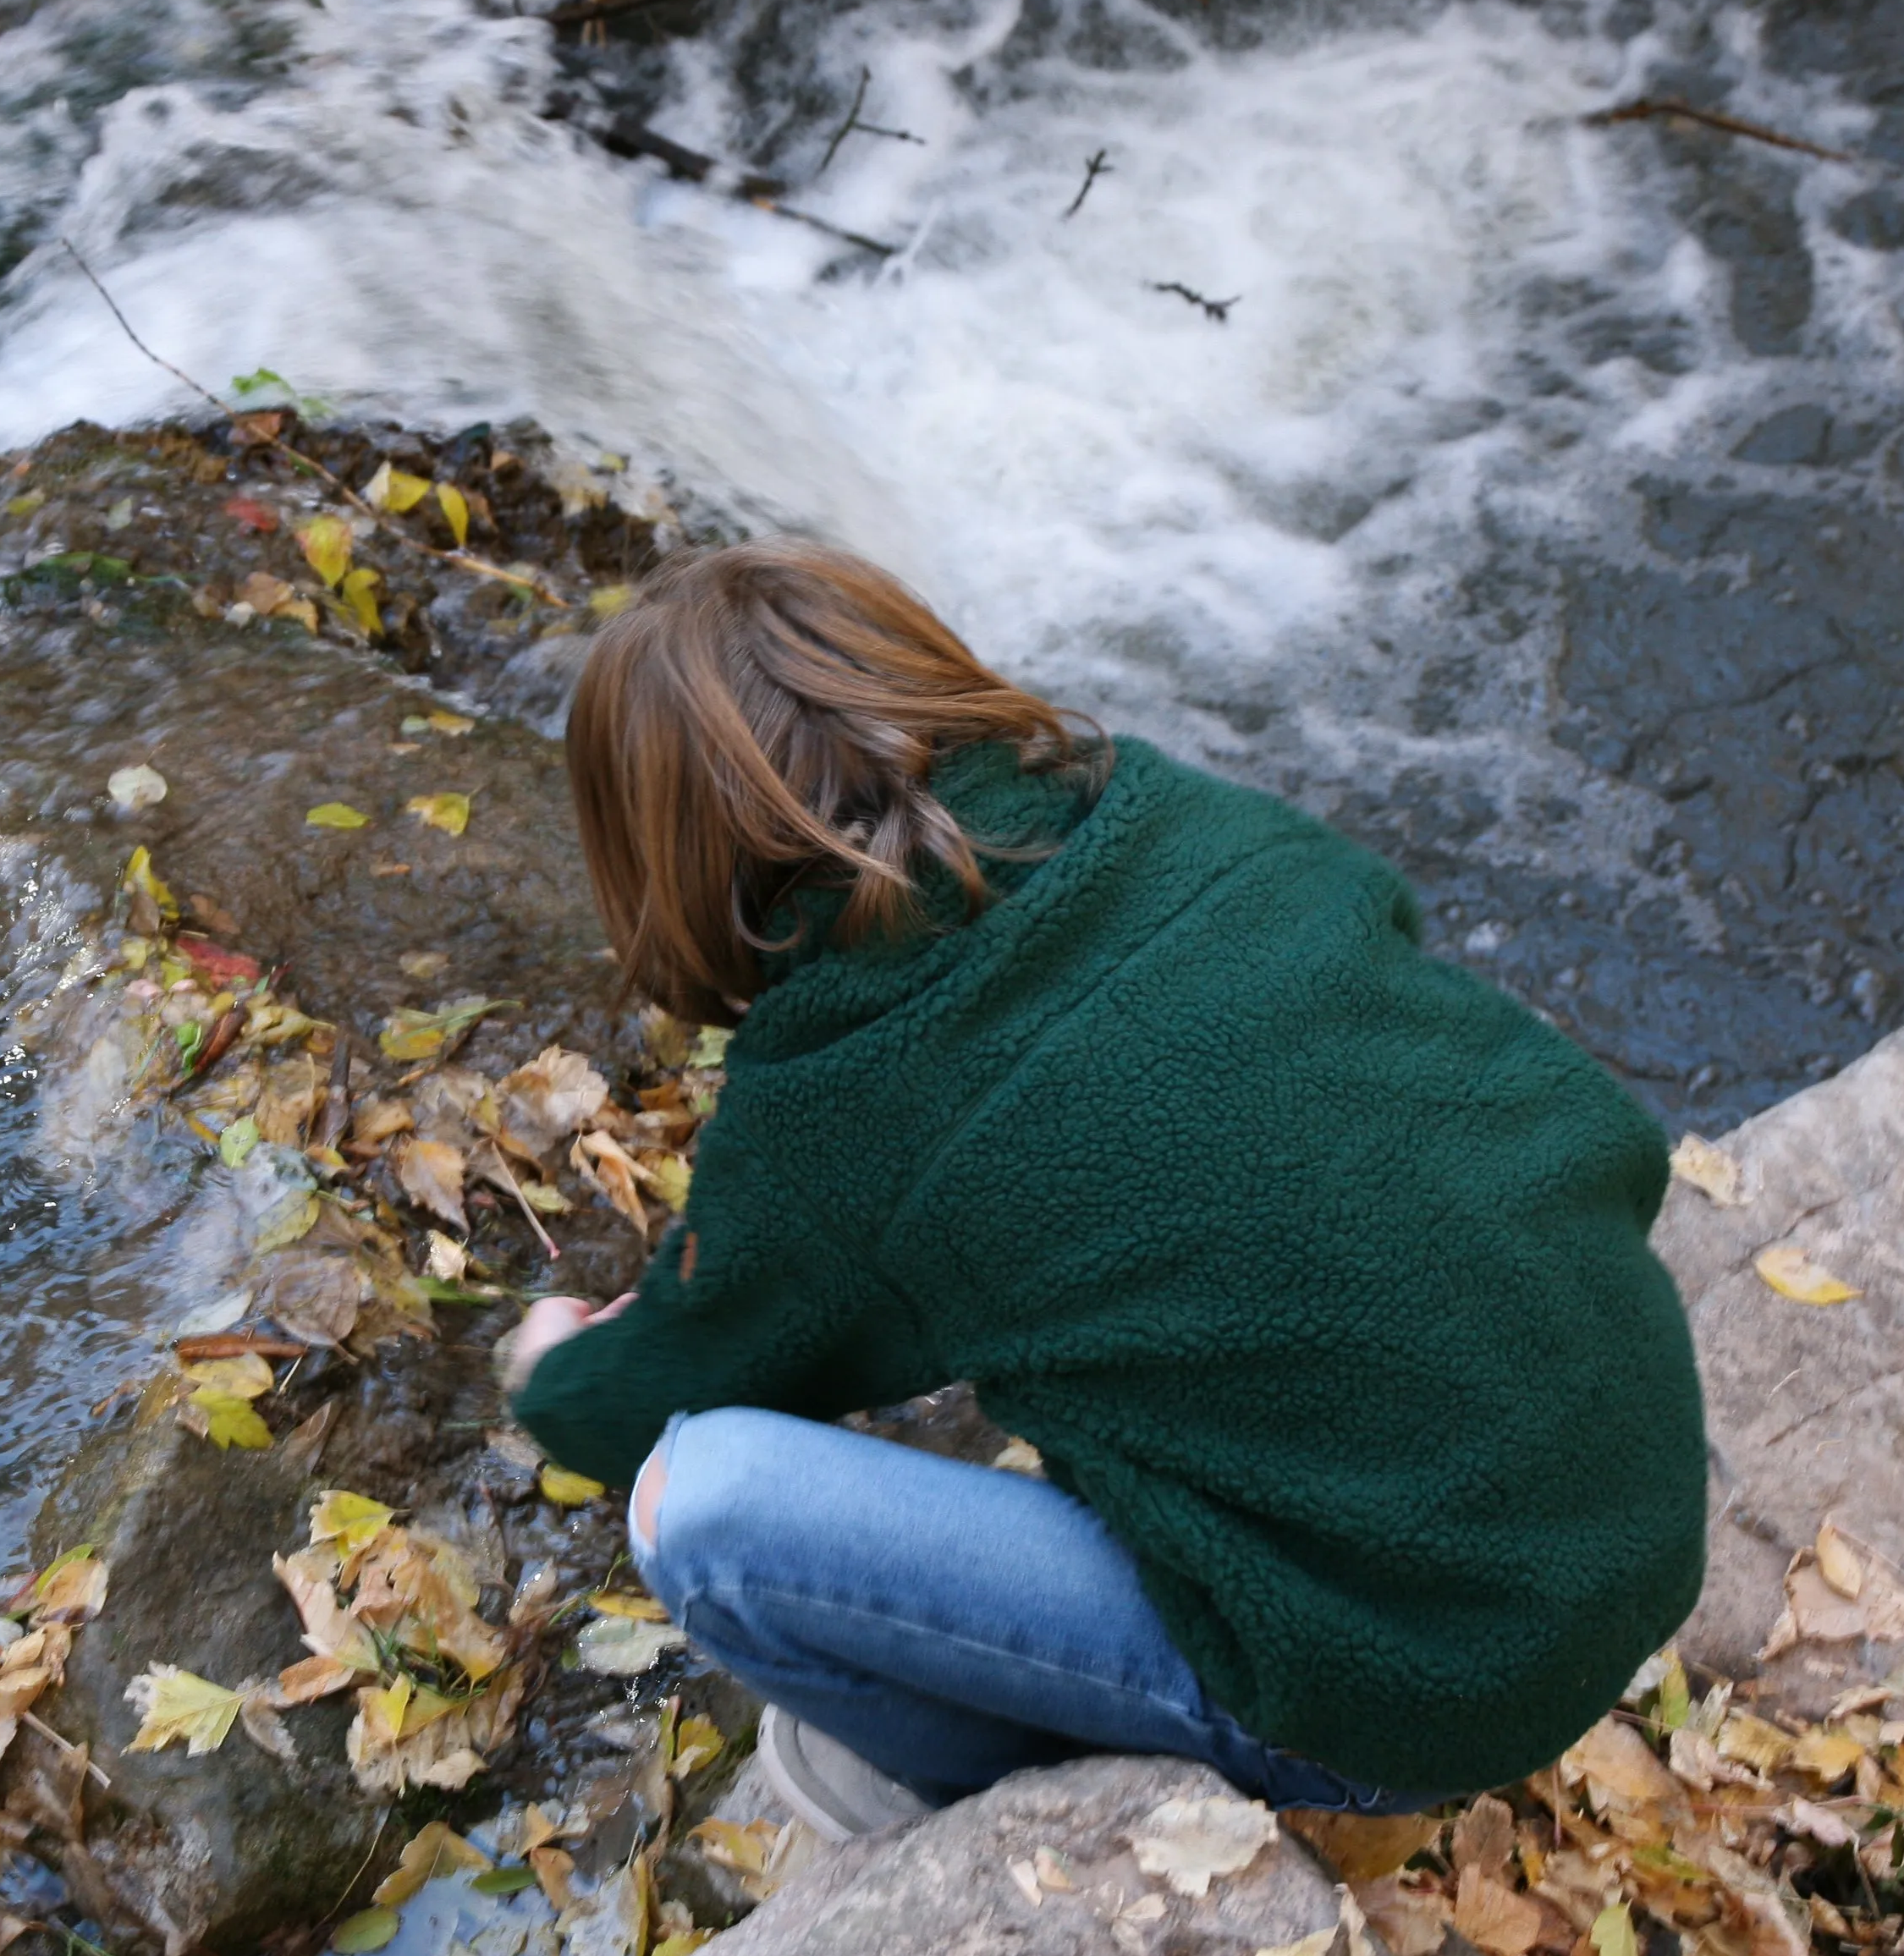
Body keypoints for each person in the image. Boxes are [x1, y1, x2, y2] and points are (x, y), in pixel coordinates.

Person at [501, 539, 1707, 1841]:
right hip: (1638, 1495)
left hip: (1415, 1684)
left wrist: (550, 1367)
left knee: (702, 1506)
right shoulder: (1164, 810)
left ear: (663, 862)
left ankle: (1004, 1797)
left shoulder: (836, 1091)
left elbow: (647, 1395)